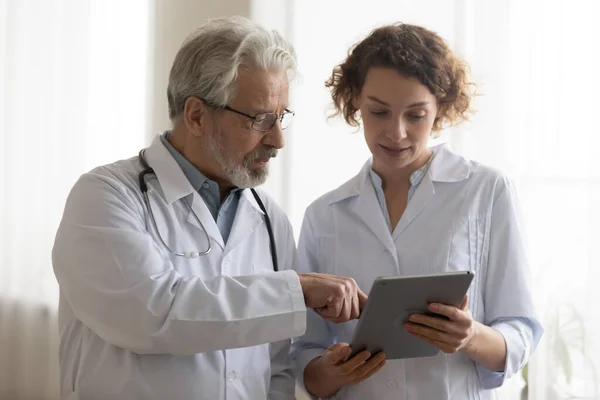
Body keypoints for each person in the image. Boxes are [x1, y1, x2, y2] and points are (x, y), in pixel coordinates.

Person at [52, 16, 366, 400]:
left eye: (281, 117)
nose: (278, 139)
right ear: (197, 116)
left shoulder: (270, 220)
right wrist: (295, 290)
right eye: (261, 119)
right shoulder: (105, 197)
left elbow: (275, 367)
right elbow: (154, 315)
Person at [291, 23, 543, 399]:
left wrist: (470, 336)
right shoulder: (324, 215)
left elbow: (521, 329)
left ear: (440, 109)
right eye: (378, 112)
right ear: (356, 102)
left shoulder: (486, 191)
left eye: (415, 115)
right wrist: (330, 371)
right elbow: (303, 355)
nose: (396, 133)